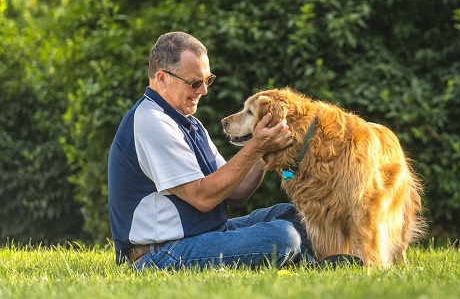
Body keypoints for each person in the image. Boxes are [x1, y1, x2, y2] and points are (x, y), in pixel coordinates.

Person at [107, 31, 313, 270]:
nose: (203, 90)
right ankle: (308, 256)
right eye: (195, 82)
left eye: (208, 80)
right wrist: (256, 146)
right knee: (282, 237)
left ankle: (323, 256)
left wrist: (264, 151)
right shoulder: (150, 121)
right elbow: (202, 198)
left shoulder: (189, 123)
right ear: (162, 78)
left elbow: (236, 193)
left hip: (205, 235)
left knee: (293, 214)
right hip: (161, 253)